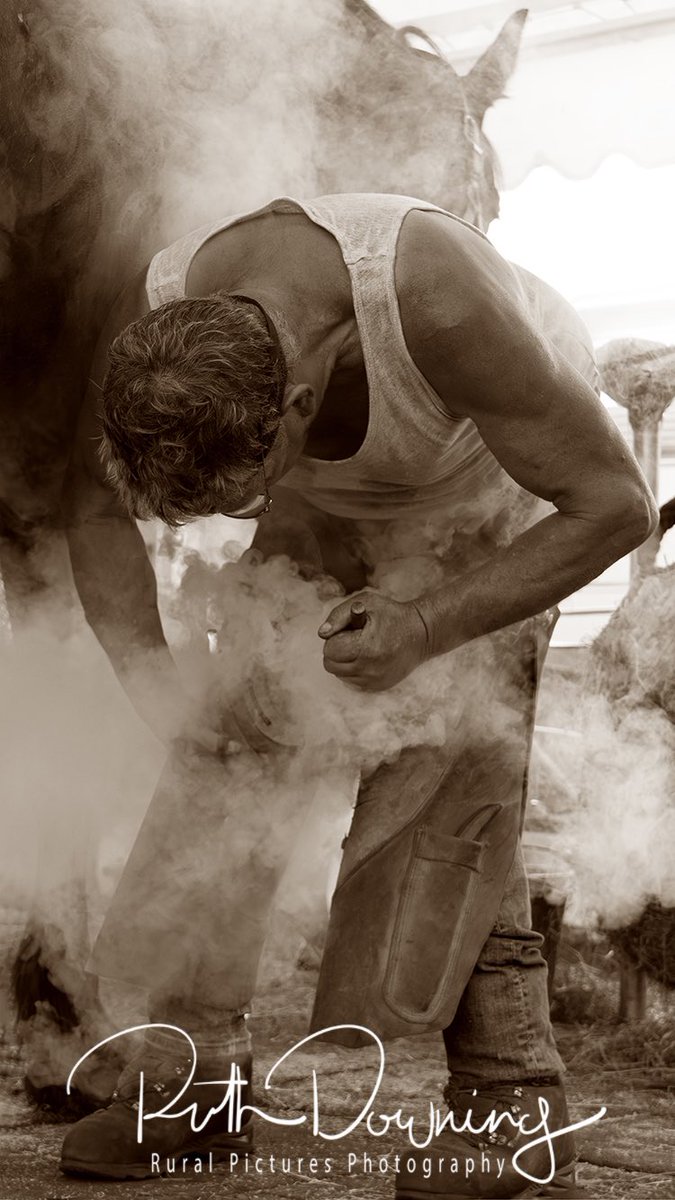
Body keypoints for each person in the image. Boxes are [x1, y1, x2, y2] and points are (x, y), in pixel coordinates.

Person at [60, 193, 656, 1196]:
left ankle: (514, 1103)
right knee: (235, 730)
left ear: (296, 405)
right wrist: (161, 692)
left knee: (450, 752)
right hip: (326, 504)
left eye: (233, 502)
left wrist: (426, 625)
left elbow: (614, 506)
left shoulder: (439, 305)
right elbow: (91, 511)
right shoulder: (165, 320)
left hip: (502, 493)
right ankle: (196, 1083)